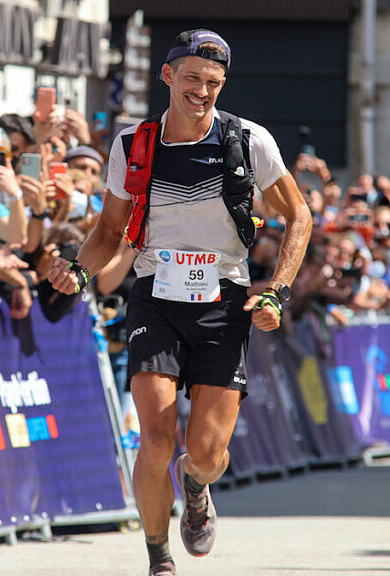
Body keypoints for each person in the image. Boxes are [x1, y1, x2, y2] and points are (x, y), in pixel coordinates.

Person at [48, 29, 311, 576]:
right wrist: (78, 269)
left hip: (224, 299)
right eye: (192, 78)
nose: (202, 90)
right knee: (155, 436)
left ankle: (195, 485)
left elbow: (299, 216)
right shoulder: (134, 144)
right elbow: (110, 229)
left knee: (208, 454)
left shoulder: (249, 140)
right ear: (167, 76)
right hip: (156, 297)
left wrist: (277, 291)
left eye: (214, 82)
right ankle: (158, 557)